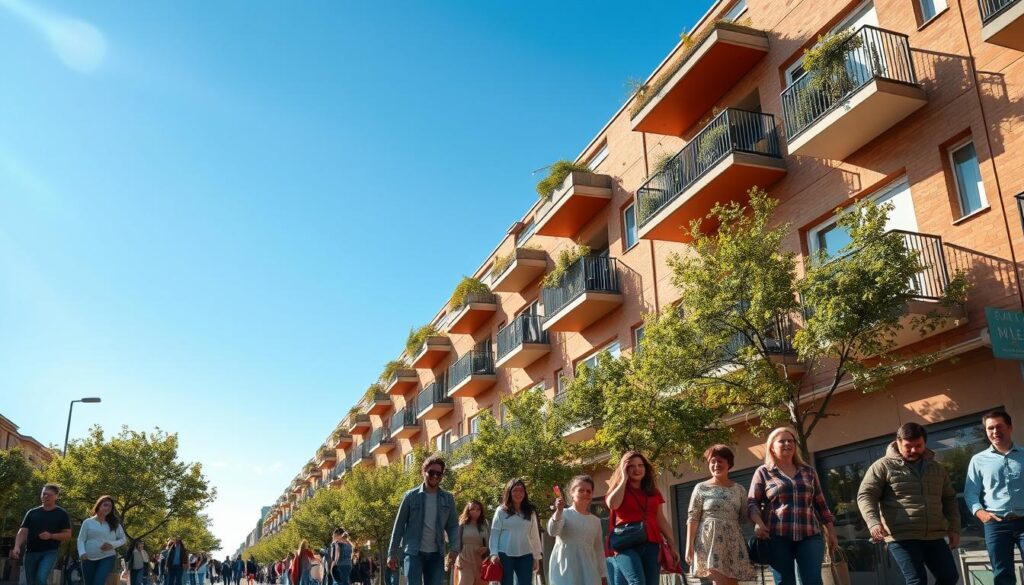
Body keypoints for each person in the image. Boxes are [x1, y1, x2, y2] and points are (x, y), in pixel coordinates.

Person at [856, 422, 961, 585]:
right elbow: (866, 495)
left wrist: (954, 528)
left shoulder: (937, 468)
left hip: (934, 534)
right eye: (907, 446)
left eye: (918, 446)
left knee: (949, 577)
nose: (913, 450)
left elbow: (949, 499)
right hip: (901, 535)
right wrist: (873, 522)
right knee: (917, 581)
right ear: (898, 442)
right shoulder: (882, 466)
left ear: (925, 443)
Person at [748, 427, 838, 585]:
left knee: (813, 581)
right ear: (772, 447)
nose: (787, 444)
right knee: (784, 582)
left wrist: (831, 532)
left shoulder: (808, 471)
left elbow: (821, 503)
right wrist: (758, 523)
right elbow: (752, 502)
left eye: (791, 441)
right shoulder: (763, 472)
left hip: (809, 534)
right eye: (782, 441)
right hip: (777, 536)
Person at [965, 410, 1024, 585]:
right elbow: (970, 492)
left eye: (999, 427)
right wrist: (980, 513)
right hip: (996, 524)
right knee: (1002, 574)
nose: (995, 431)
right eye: (990, 428)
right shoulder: (978, 460)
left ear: (1010, 428)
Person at [685, 445, 755, 585]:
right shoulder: (701, 488)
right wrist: (689, 547)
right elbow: (693, 517)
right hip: (709, 543)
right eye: (712, 461)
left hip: (733, 543)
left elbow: (746, 516)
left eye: (720, 461)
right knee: (718, 582)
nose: (716, 464)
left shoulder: (739, 489)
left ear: (729, 464)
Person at [607, 451, 680, 585]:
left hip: (651, 543)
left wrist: (672, 544)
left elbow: (661, 519)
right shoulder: (618, 490)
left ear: (646, 468)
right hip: (626, 544)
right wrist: (623, 479)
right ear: (624, 468)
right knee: (637, 582)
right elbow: (613, 504)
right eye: (632, 466)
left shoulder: (653, 492)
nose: (637, 469)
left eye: (641, 465)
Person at [387, 455, 460, 585]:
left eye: (439, 474)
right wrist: (392, 553)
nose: (435, 476)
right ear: (423, 472)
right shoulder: (410, 496)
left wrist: (455, 548)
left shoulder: (448, 499)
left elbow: (453, 526)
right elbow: (399, 526)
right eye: (432, 472)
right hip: (413, 553)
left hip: (437, 554)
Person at [547, 475, 607, 585]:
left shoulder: (596, 521)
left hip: (589, 570)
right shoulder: (564, 514)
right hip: (565, 568)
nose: (585, 493)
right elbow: (552, 531)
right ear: (572, 493)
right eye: (581, 490)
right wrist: (558, 511)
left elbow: (599, 549)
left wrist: (603, 574)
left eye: (589, 491)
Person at [11, 484, 73, 585]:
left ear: (56, 496)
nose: (45, 496)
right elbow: (23, 531)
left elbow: (67, 534)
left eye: (49, 495)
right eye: (43, 494)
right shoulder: (32, 513)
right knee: (31, 582)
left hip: (50, 552)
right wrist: (17, 547)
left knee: (40, 578)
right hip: (30, 553)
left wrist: (51, 536)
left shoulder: (62, 513)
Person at [489, 478, 542, 585]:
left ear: (525, 493)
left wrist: (536, 557)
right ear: (509, 492)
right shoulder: (501, 511)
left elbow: (534, 535)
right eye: (515, 490)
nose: (518, 493)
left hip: (526, 555)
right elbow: (495, 533)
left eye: (521, 490)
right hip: (504, 555)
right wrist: (494, 553)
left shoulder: (530, 511)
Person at [78, 495, 128, 585]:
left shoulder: (115, 523)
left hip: (107, 557)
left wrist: (112, 544)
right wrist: (82, 553)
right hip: (88, 558)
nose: (108, 508)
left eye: (110, 506)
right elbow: (81, 539)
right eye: (105, 505)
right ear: (99, 505)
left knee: (98, 582)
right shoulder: (87, 522)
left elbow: (123, 539)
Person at [454, 500, 489, 585]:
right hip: (464, 559)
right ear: (468, 511)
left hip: (480, 560)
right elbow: (454, 541)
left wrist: (486, 549)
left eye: (478, 509)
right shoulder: (462, 524)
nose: (475, 511)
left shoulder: (485, 524)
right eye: (472, 509)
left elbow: (490, 541)